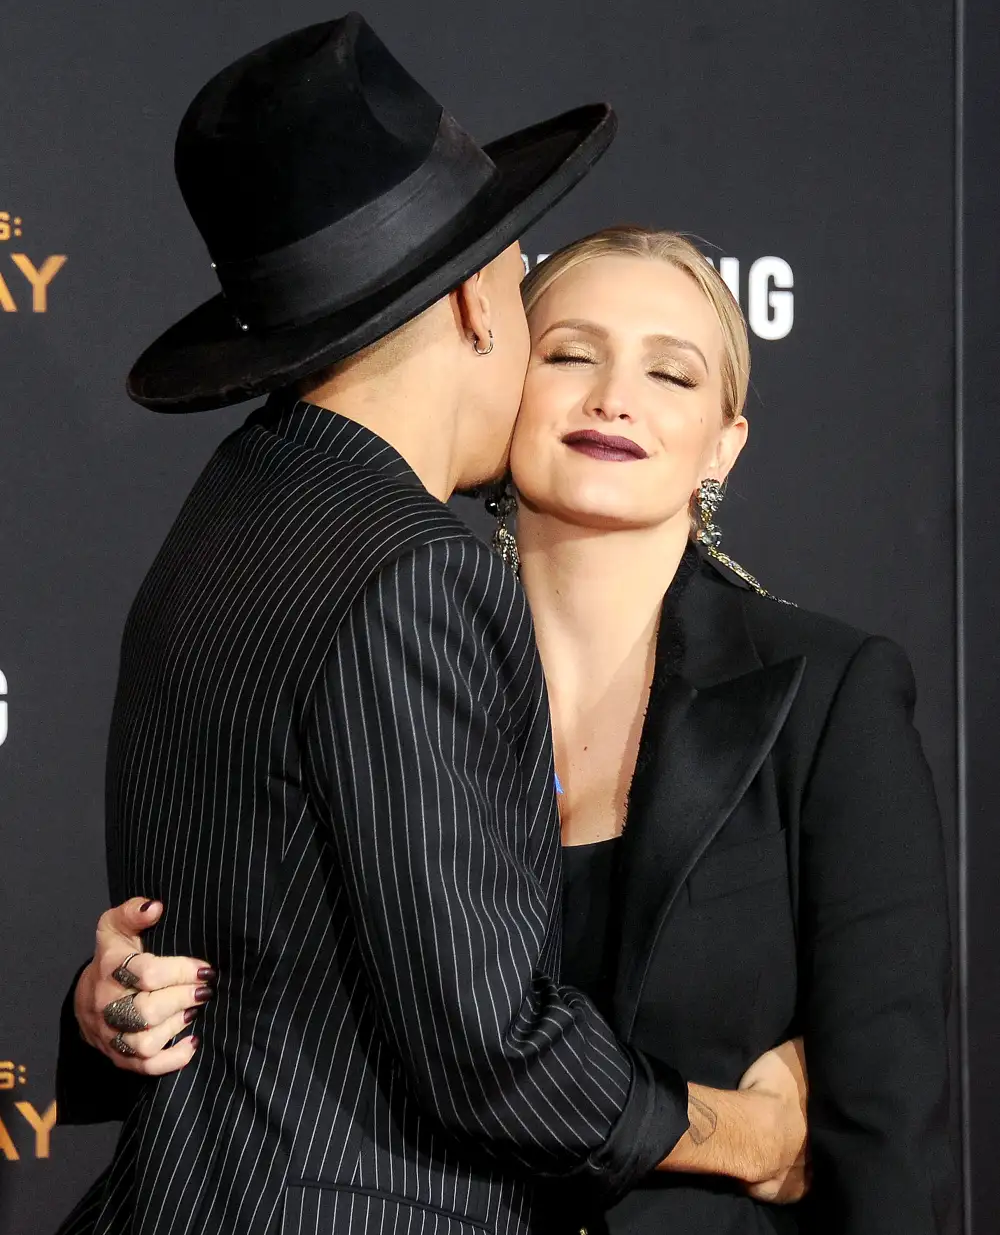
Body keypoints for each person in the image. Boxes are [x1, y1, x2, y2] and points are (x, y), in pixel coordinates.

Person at [53, 18, 809, 1235]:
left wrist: (101, 1003)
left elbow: (248, 911)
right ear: (473, 301)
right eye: (526, 288)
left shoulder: (231, 501)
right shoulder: (422, 567)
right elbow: (489, 1048)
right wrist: (755, 1135)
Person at [77, 223, 956, 1234]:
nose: (612, 397)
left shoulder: (830, 697)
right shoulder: (390, 631)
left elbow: (883, 1139)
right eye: (570, 353)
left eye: (670, 374)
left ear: (724, 441)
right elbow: (292, 960)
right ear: (496, 365)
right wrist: (119, 1000)